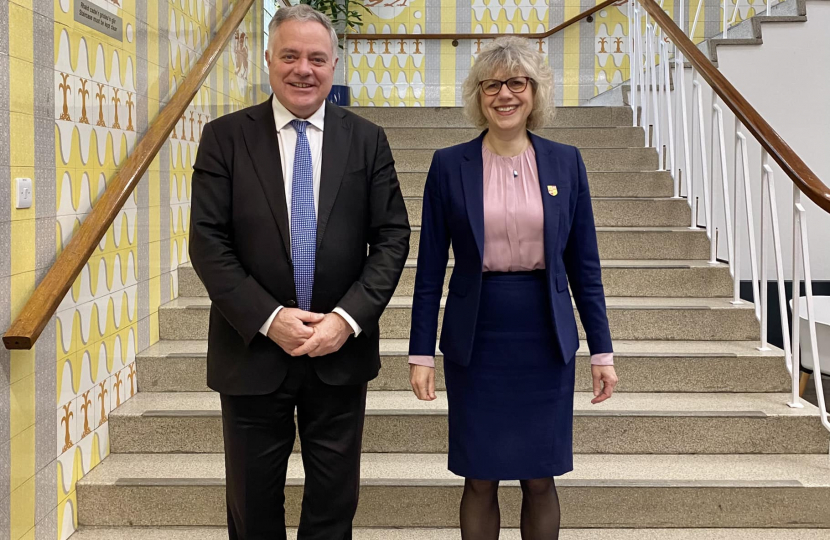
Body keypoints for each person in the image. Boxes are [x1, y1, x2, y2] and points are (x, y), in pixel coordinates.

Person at [189, 5, 410, 539]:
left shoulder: (367, 139)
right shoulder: (224, 137)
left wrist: (346, 320)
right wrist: (269, 318)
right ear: (268, 60)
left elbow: (392, 238)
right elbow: (207, 242)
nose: (303, 69)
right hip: (253, 352)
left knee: (334, 506)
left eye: (316, 57)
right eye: (290, 55)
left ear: (334, 64)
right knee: (251, 505)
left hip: (340, 352)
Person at [408, 37, 618, 539]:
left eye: (516, 83)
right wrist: (420, 352)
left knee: (540, 476)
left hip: (544, 334)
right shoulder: (447, 165)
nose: (505, 95)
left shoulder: (566, 162)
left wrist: (602, 350)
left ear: (534, 91)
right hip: (476, 335)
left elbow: (584, 265)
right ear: (478, 95)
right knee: (479, 476)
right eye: (492, 85)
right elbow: (430, 266)